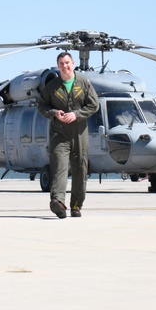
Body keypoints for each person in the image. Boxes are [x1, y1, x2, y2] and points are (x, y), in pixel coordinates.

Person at [37, 51, 100, 218]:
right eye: (61, 64)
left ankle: (76, 205)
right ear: (58, 67)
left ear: (73, 64)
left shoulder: (84, 83)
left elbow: (94, 105)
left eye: (67, 63)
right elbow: (41, 107)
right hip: (59, 133)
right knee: (59, 166)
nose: (64, 66)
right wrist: (53, 113)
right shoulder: (51, 87)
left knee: (80, 168)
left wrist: (77, 114)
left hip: (79, 133)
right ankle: (58, 202)